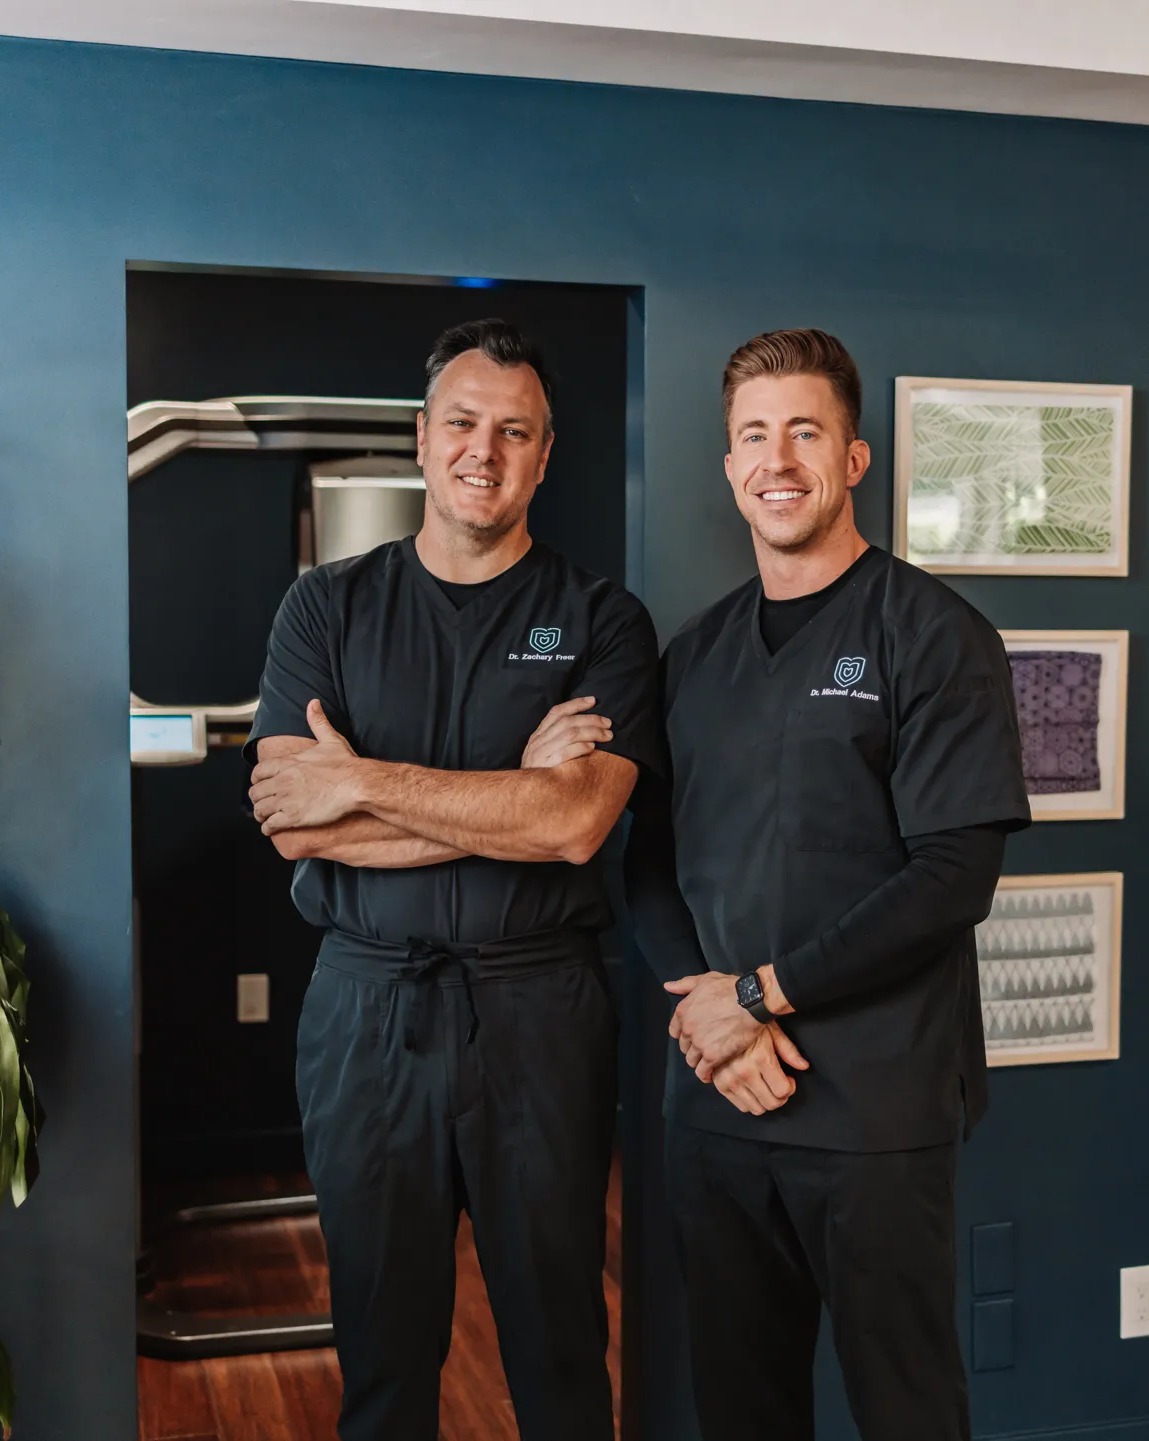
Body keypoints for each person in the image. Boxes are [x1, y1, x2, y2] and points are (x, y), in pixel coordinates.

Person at [245, 318, 660, 1441]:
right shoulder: (323, 608)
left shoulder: (603, 621)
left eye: (514, 431)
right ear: (423, 440)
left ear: (545, 452)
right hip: (367, 1007)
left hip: (542, 1014)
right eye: (465, 424)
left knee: (559, 1343)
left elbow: (574, 825)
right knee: (381, 1352)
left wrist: (363, 786)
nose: (487, 450)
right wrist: (503, 794)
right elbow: (291, 820)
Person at [624, 329, 1030, 1441]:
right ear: (728, 468)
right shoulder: (694, 659)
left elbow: (953, 877)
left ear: (856, 459)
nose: (779, 458)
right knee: (740, 1407)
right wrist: (712, 1014)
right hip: (720, 1104)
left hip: (875, 1111)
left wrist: (757, 996)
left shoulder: (936, 638)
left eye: (807, 430)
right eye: (754, 435)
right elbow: (646, 861)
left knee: (905, 1408)